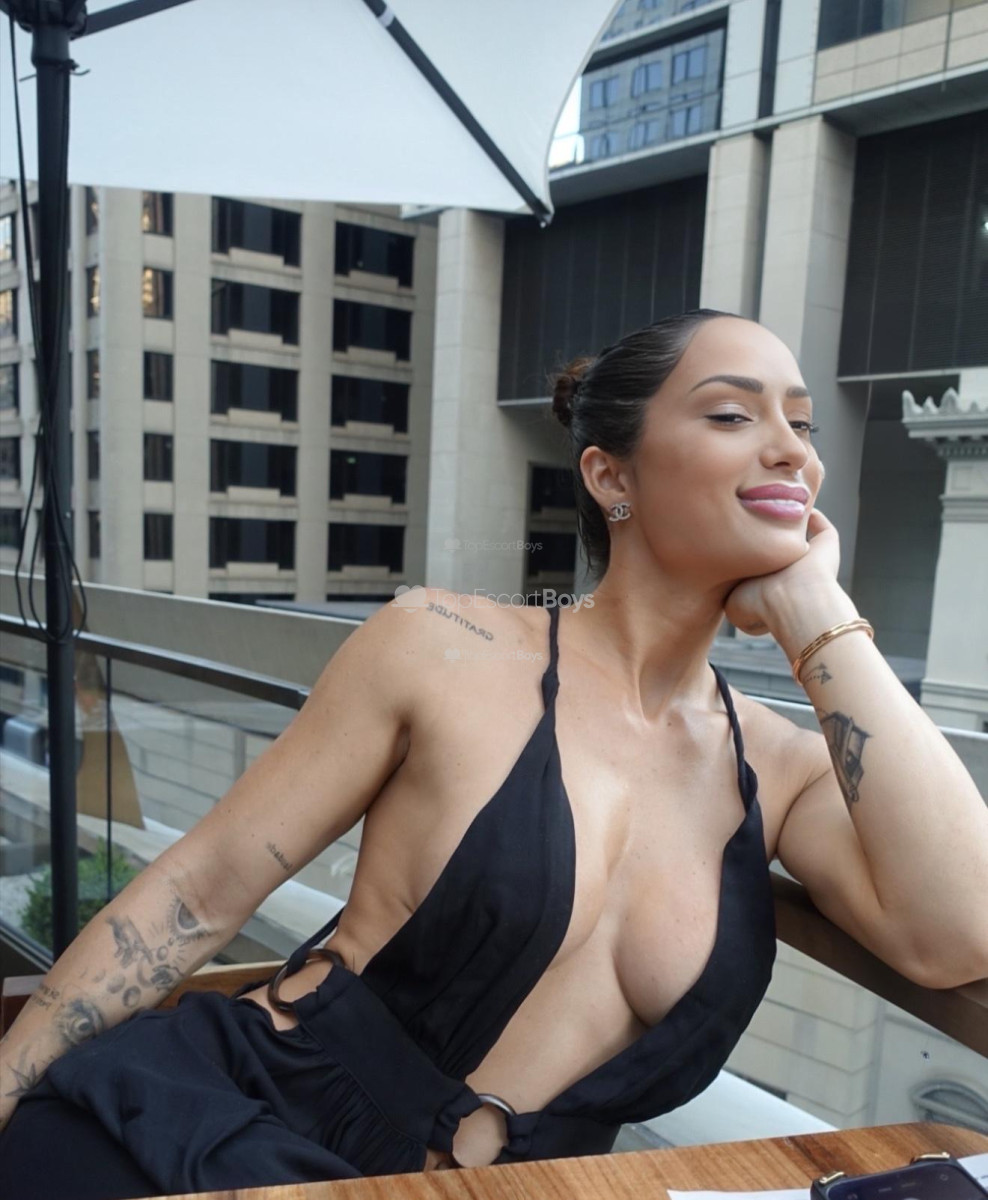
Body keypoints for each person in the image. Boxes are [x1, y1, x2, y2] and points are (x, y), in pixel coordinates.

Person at [1, 309, 986, 1198]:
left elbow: (959, 933)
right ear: (610, 476)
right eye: (733, 415)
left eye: (803, 425)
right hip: (229, 1125)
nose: (791, 451)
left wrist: (816, 612)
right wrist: (6, 1086)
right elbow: (202, 888)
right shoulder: (442, 643)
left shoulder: (782, 768)